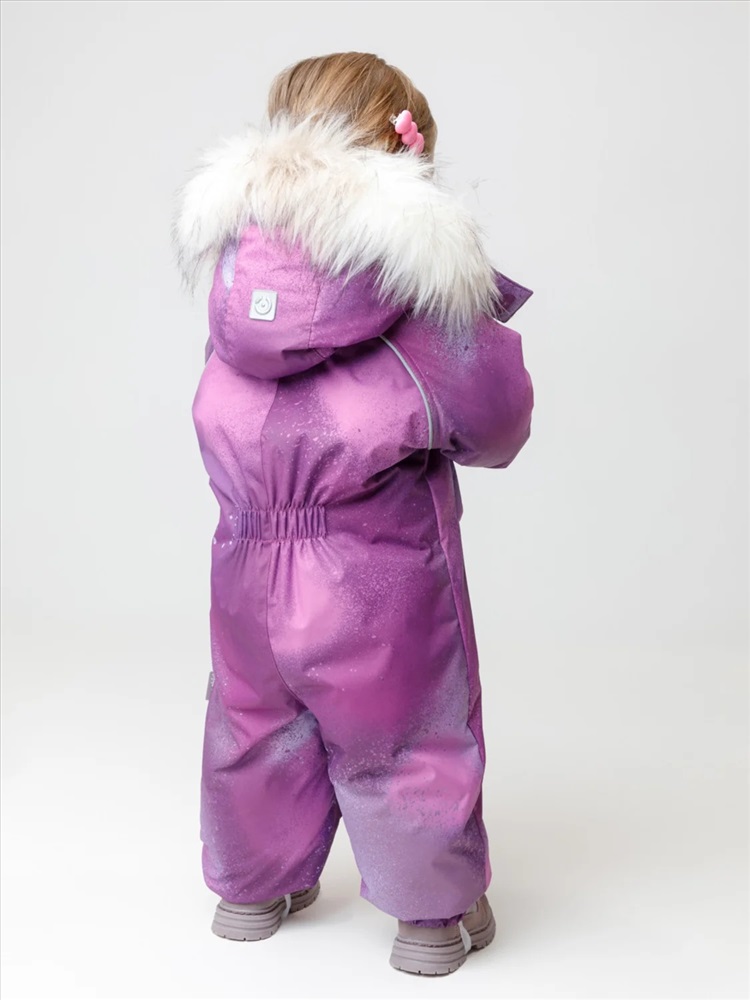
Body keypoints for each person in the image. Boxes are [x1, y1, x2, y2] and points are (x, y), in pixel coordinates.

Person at [172, 51, 534, 977]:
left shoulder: (238, 278)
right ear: (405, 150)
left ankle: (251, 892)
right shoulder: (420, 284)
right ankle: (430, 919)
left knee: (254, 720)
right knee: (406, 733)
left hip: (245, 557)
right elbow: (498, 423)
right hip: (374, 565)